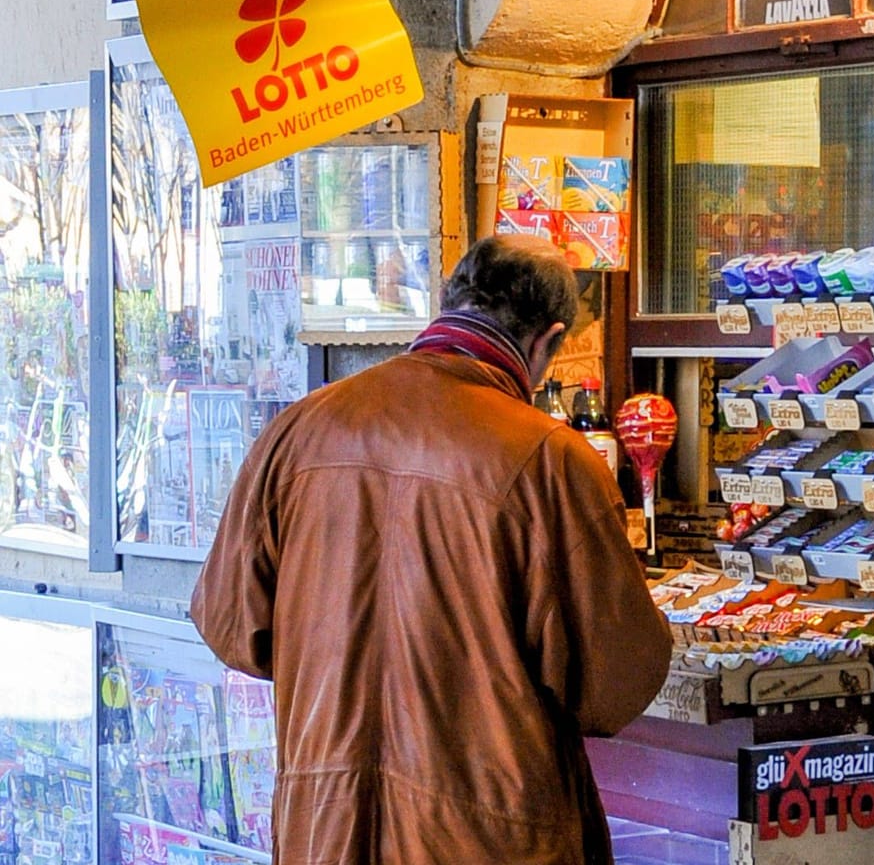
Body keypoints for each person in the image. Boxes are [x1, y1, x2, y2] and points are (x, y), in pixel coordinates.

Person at [192, 235, 673, 865]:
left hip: (326, 830)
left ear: (448, 307)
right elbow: (612, 686)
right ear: (547, 342)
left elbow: (232, 628)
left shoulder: (300, 430)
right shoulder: (551, 461)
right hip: (491, 839)